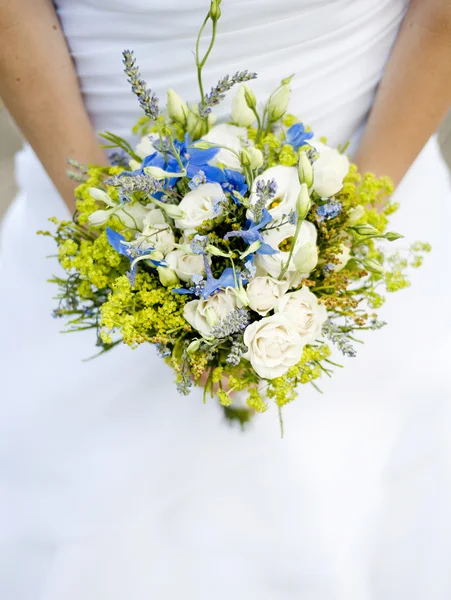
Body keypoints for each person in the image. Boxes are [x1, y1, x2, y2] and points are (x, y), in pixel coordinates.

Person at [0, 1, 450, 598]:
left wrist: (339, 239)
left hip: (375, 151)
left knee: (356, 505)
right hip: (85, 164)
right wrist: (111, 231)